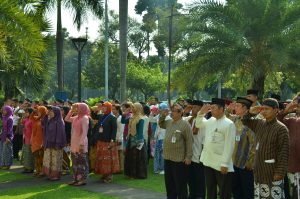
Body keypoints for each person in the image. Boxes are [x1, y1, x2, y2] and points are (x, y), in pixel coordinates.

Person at [242, 98, 289, 199]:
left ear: (276, 110)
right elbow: (245, 120)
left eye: (267, 109)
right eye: (262, 109)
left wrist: (280, 173)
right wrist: (250, 112)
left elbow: (283, 152)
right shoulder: (259, 123)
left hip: (272, 173)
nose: (264, 111)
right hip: (259, 171)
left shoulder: (281, 128)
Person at [195, 98, 236, 199]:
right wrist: (201, 113)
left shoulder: (229, 124)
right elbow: (198, 124)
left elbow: (229, 145)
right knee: (210, 190)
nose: (211, 110)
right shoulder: (211, 120)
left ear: (221, 109)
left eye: (213, 108)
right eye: (211, 108)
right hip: (208, 161)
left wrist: (225, 164)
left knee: (224, 192)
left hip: (221, 163)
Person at [159, 103, 193, 199]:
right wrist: (163, 115)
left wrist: (188, 157)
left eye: (174, 111)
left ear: (180, 113)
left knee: (180, 185)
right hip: (168, 157)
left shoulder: (185, 125)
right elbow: (161, 124)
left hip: (179, 160)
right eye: (172, 110)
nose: (171, 113)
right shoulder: (169, 122)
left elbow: (189, 141)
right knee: (169, 184)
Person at [227, 97, 256, 199]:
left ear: (245, 109)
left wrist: (250, 162)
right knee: (236, 190)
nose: (235, 107)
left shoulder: (251, 123)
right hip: (234, 162)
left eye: (238, 106)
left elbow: (254, 143)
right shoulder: (235, 119)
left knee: (247, 191)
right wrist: (227, 110)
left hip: (245, 164)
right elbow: (224, 116)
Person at [278, 96, 300, 199]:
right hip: (293, 164)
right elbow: (277, 121)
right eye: (298, 105)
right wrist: (286, 110)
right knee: (295, 192)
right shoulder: (291, 120)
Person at [184, 100, 206, 199]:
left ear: (201, 109)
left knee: (199, 178)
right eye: (193, 107)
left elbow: (205, 139)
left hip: (198, 154)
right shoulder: (189, 119)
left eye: (196, 107)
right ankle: (192, 194)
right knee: (189, 177)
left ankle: (200, 196)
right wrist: (185, 111)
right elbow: (177, 119)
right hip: (189, 154)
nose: (193, 109)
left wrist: (202, 153)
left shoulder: (204, 122)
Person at [94, 102, 119, 183]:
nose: (103, 108)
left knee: (108, 160)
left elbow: (114, 130)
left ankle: (109, 176)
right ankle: (104, 174)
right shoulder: (101, 116)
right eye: (102, 107)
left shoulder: (112, 118)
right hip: (101, 141)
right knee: (101, 159)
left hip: (108, 142)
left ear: (109, 108)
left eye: (105, 107)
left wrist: (112, 140)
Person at [65, 103, 90, 186]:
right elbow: (66, 118)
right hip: (74, 142)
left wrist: (81, 143)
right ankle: (75, 179)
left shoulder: (85, 118)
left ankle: (82, 180)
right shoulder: (76, 118)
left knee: (82, 162)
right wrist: (72, 110)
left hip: (81, 143)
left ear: (82, 108)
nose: (76, 109)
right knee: (75, 162)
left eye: (78, 108)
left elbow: (85, 132)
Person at [123, 102, 147, 179]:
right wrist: (124, 114)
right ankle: (130, 174)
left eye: (133, 107)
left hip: (137, 141)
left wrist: (139, 143)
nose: (132, 109)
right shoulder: (131, 117)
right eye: (132, 107)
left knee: (136, 158)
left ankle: (136, 174)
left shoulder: (141, 118)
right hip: (130, 139)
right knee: (130, 157)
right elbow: (123, 121)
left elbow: (140, 132)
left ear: (138, 108)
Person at [42, 106, 66, 180]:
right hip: (49, 143)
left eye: (51, 111)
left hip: (56, 144)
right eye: (50, 111)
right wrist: (46, 114)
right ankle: (50, 174)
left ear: (56, 112)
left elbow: (60, 134)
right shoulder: (50, 120)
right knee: (49, 159)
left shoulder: (59, 121)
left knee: (55, 160)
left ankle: (55, 175)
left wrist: (57, 144)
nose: (50, 113)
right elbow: (43, 122)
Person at [153, 103, 170, 175]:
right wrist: (155, 135)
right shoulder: (158, 116)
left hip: (164, 137)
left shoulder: (168, 118)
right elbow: (157, 126)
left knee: (162, 154)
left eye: (160, 108)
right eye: (159, 108)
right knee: (157, 154)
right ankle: (157, 169)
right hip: (158, 137)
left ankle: (162, 168)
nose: (159, 110)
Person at [31, 106, 47, 177]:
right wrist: (34, 111)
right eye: (38, 111)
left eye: (39, 111)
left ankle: (41, 171)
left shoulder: (45, 120)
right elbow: (31, 117)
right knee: (36, 156)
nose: (38, 112)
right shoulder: (36, 118)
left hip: (41, 140)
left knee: (41, 157)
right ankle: (37, 170)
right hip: (35, 140)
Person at [21, 108, 34, 173]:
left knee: (29, 154)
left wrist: (31, 139)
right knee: (26, 153)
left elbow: (33, 131)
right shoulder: (26, 119)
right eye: (25, 112)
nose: (26, 113)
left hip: (30, 139)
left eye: (27, 112)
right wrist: (23, 116)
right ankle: (26, 167)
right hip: (25, 138)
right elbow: (21, 122)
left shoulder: (32, 120)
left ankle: (30, 168)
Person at [112, 104, 124, 173]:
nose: (113, 111)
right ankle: (117, 168)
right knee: (115, 153)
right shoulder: (113, 117)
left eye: (114, 109)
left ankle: (121, 168)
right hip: (114, 137)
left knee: (120, 154)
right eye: (112, 109)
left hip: (119, 137)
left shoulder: (120, 118)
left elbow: (121, 129)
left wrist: (119, 138)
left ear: (117, 110)